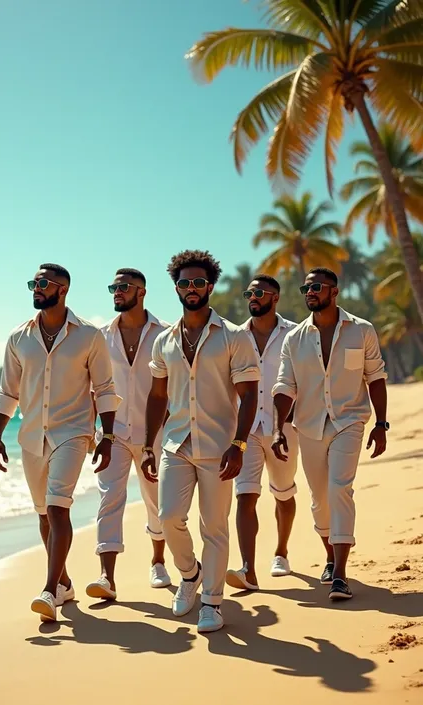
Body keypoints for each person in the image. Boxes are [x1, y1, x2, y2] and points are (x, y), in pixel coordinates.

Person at [0, 263, 120, 621]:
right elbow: (7, 392)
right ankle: (63, 583)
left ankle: (48, 591)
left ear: (63, 289)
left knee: (58, 507)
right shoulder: (19, 338)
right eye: (34, 282)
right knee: (44, 515)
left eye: (43, 283)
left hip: (74, 432)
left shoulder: (89, 336)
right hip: (32, 435)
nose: (36, 288)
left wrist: (106, 436)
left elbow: (105, 389)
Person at [141, 250, 260, 633]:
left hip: (220, 447)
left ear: (210, 286)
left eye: (197, 283)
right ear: (176, 287)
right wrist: (147, 446)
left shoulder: (234, 336)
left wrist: (239, 445)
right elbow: (157, 396)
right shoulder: (164, 341)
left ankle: (212, 601)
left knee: (214, 527)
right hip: (175, 445)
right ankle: (188, 573)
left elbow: (250, 394)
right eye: (183, 283)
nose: (190, 289)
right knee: (168, 517)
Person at [271, 267, 388, 601]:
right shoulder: (294, 340)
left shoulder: (361, 330)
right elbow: (284, 385)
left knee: (340, 488)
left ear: (334, 292)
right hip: (307, 425)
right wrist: (279, 428)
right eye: (306, 287)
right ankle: (329, 554)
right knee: (319, 498)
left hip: (349, 420)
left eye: (317, 287)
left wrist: (381, 424)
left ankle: (339, 574)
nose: (310, 292)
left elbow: (375, 376)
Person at [86, 268, 171, 601]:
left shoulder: (164, 334)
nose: (117, 292)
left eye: (123, 287)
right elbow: (94, 386)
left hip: (157, 433)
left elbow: (173, 386)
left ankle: (159, 560)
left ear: (142, 291)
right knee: (109, 497)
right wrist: (96, 430)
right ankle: (107, 576)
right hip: (115, 433)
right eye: (113, 287)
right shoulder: (101, 336)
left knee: (157, 501)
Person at [226, 274, 298, 592]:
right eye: (249, 293)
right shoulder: (233, 337)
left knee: (283, 492)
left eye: (260, 292)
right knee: (245, 494)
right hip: (247, 428)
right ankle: (248, 570)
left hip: (285, 426)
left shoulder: (295, 334)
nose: (253, 297)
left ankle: (281, 551)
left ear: (275, 298)